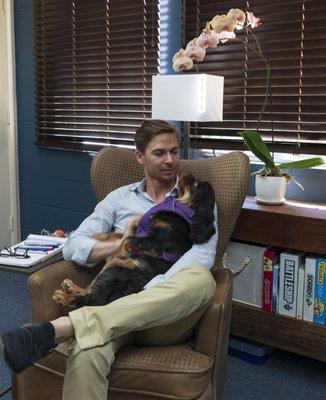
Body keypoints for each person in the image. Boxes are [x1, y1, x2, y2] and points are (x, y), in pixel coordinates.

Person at [1, 119, 218, 400]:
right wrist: (121, 243)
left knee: (201, 279)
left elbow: (203, 254)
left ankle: (59, 329)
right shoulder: (119, 200)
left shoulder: (198, 195)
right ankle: (82, 326)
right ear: (140, 156)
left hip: (165, 318)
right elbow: (74, 244)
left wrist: (152, 290)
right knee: (87, 350)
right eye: (159, 153)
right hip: (113, 311)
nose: (170, 160)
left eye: (175, 152)